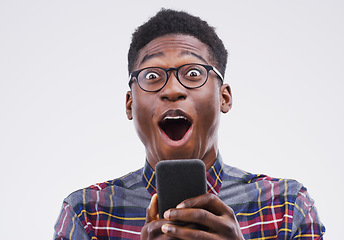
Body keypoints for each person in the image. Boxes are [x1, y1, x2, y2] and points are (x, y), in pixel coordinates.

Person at [54, 9, 325, 240]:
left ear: (224, 97)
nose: (172, 90)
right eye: (152, 75)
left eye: (193, 73)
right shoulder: (88, 213)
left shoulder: (286, 207)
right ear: (129, 104)